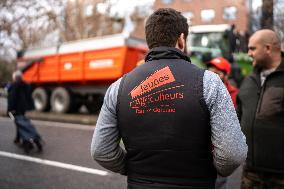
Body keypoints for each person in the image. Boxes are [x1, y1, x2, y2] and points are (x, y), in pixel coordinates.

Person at [91, 8, 247, 189]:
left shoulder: (118, 88)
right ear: (181, 39)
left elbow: (101, 151)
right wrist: (207, 170)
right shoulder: (209, 82)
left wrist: (133, 169)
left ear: (150, 41)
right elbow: (232, 154)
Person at [237, 29, 284, 188]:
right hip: (251, 175)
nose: (248, 53)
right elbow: (238, 117)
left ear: (269, 48)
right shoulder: (249, 81)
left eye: (252, 48)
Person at [7, 70, 43, 153]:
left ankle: (25, 142)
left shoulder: (14, 86)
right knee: (22, 123)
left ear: (15, 77)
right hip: (23, 109)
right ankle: (18, 139)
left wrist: (9, 111)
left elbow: (11, 99)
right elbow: (29, 97)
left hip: (14, 110)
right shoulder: (26, 85)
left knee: (19, 123)